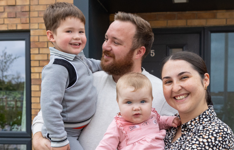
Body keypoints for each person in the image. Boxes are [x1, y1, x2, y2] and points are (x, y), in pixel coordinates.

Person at [32, 12, 177, 150]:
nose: (106, 46)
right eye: (106, 39)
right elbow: (46, 114)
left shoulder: (161, 92)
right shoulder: (90, 78)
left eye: (116, 42)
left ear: (139, 52)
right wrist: (38, 137)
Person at [39, 3, 101, 150]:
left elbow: (91, 64)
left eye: (81, 31)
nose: (77, 37)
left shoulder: (77, 58)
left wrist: (107, 65)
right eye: (69, 31)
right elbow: (49, 106)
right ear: (51, 36)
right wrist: (59, 139)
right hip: (65, 132)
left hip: (78, 129)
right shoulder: (58, 68)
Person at [161, 51, 234, 149]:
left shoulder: (218, 133)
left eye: (184, 77)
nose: (175, 88)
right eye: (168, 81)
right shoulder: (168, 126)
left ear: (205, 80)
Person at [96, 73, 180, 150]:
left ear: (151, 100)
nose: (136, 108)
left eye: (143, 101)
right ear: (118, 102)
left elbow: (160, 121)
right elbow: (106, 145)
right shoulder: (118, 125)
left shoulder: (152, 116)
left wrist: (170, 120)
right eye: (129, 102)